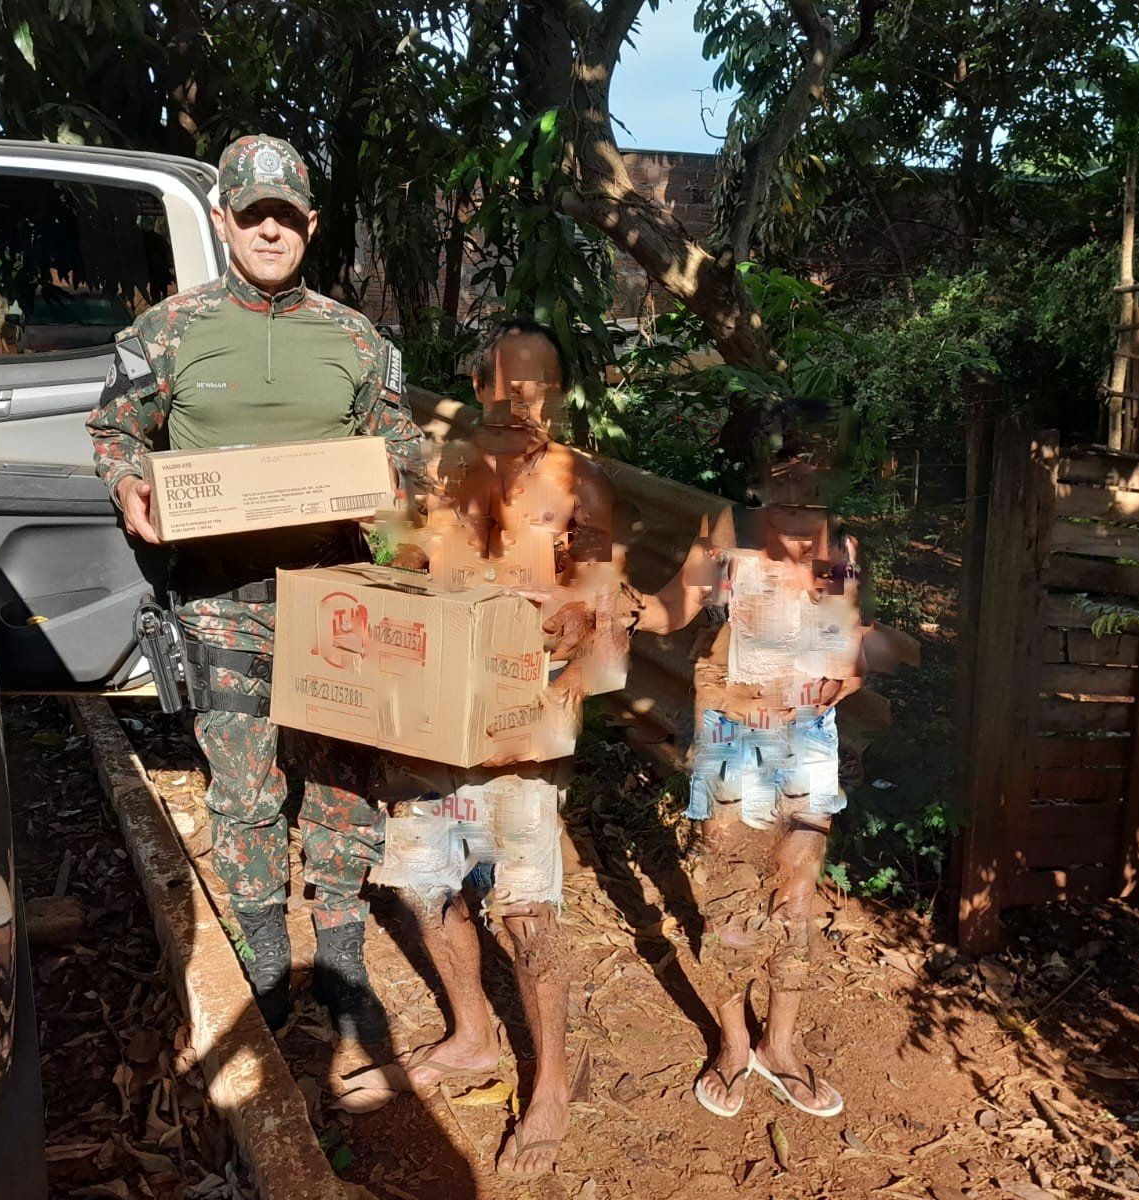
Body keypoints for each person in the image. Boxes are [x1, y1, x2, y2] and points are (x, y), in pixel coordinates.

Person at [86, 136, 424, 1065]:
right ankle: (269, 961)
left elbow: (402, 444)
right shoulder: (168, 331)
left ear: (309, 225)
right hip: (217, 597)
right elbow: (116, 428)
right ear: (223, 220)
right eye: (252, 214)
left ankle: (344, 959)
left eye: (286, 215)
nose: (269, 229)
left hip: (334, 595)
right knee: (243, 788)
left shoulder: (359, 338)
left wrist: (394, 482)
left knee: (345, 777)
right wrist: (130, 487)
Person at [369, 319, 634, 1179]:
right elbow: (390, 571)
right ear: (476, 385)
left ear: (558, 393)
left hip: (521, 736)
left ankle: (551, 1081)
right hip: (427, 730)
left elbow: (606, 619)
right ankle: (475, 1033)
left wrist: (570, 648)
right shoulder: (438, 472)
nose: (520, 400)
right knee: (425, 886)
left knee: (527, 914)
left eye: (539, 384)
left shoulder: (580, 485)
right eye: (503, 383)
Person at [635, 400, 917, 1123]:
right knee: (729, 896)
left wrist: (835, 680)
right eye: (783, 460)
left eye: (813, 459)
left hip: (808, 739)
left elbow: (853, 657)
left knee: (796, 894)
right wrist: (615, 604)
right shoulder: (728, 533)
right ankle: (733, 1044)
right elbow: (674, 607)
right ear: (759, 469)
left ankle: (779, 1047)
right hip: (730, 731)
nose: (797, 475)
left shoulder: (842, 550)